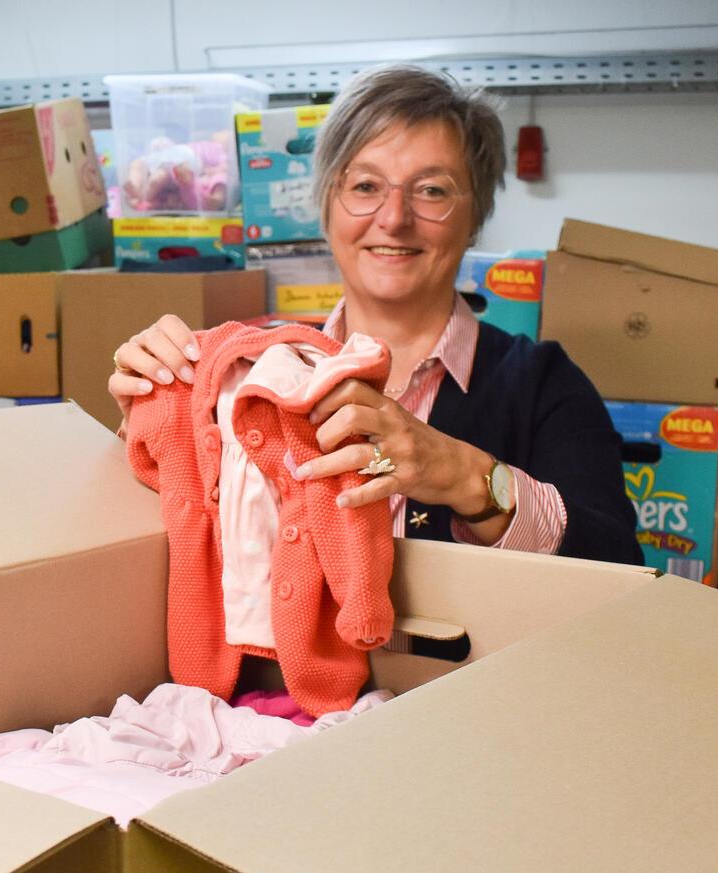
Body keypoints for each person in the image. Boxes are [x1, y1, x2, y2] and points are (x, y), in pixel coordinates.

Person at [108, 65, 641, 565]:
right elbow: (178, 549)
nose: (393, 219)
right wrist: (151, 422)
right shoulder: (249, 372)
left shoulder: (543, 384)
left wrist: (466, 478)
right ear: (327, 204)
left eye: (432, 191)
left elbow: (620, 569)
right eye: (365, 186)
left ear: (476, 216)